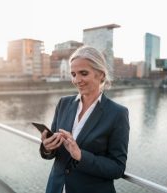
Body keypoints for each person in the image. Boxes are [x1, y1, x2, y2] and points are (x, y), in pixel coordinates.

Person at [39, 46, 130, 193]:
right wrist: (48, 147)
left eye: (83, 73)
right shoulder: (63, 103)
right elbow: (52, 154)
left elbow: (117, 168)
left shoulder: (117, 113)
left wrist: (80, 155)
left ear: (100, 74)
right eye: (73, 74)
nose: (77, 80)